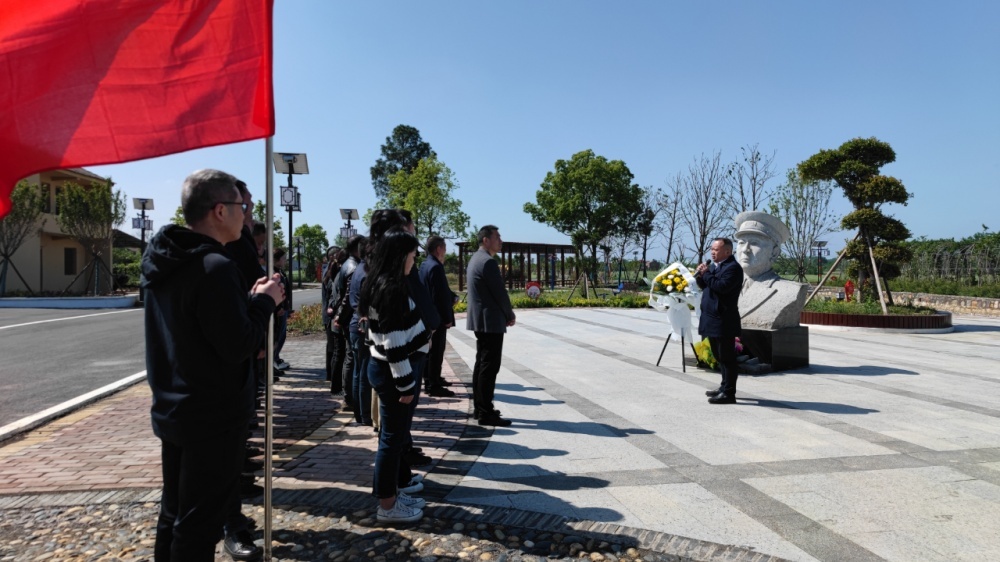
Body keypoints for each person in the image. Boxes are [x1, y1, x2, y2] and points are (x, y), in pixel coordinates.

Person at [142, 169, 284, 561]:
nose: (247, 216)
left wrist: (247, 304)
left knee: (174, 514)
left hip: (173, 405)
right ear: (220, 210)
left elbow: (200, 328)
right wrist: (265, 302)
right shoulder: (215, 267)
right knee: (199, 526)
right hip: (213, 413)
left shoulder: (164, 259)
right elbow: (239, 344)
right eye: (242, 207)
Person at [359, 227, 430, 523]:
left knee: (393, 438)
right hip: (393, 374)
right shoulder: (391, 289)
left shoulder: (381, 282)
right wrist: (406, 385)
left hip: (386, 370)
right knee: (391, 439)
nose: (414, 260)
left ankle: (392, 495)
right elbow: (394, 342)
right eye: (413, 255)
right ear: (400, 256)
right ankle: (387, 505)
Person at [465, 225, 516, 426]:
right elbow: (500, 293)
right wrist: (509, 314)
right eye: (497, 237)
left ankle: (481, 408)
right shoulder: (487, 262)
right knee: (489, 367)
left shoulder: (476, 259)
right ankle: (485, 412)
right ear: (486, 240)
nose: (501, 241)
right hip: (490, 321)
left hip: (482, 320)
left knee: (482, 364)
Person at [732, 211, 808, 330]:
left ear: (774, 252)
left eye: (754, 243)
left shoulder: (789, 291)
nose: (745, 249)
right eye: (741, 242)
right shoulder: (725, 284)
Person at [695, 237, 744, 404]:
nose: (712, 252)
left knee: (727, 357)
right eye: (712, 249)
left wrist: (707, 274)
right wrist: (700, 276)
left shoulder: (733, 268)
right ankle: (723, 387)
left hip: (724, 320)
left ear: (727, 252)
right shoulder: (716, 267)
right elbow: (707, 287)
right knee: (719, 356)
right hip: (711, 318)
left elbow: (721, 287)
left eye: (716, 249)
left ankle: (729, 393)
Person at [418, 235, 457, 398]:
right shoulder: (436, 267)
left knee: (430, 350)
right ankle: (433, 384)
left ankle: (431, 378)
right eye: (445, 248)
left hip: (427, 315)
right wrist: (447, 319)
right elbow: (439, 296)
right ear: (439, 249)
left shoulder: (424, 264)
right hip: (437, 317)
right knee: (436, 351)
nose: (445, 252)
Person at [321, 246, 342, 384]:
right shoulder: (330, 272)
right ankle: (332, 376)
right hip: (330, 315)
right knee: (333, 347)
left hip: (328, 314)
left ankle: (330, 374)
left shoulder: (329, 271)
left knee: (331, 346)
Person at [272, 248, 292, 371]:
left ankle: (276, 357)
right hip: (278, 310)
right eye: (283, 258)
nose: (285, 260)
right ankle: (273, 360)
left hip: (283, 308)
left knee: (281, 335)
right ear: (277, 259)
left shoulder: (280, 271)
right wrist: (279, 307)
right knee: (277, 336)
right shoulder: (273, 272)